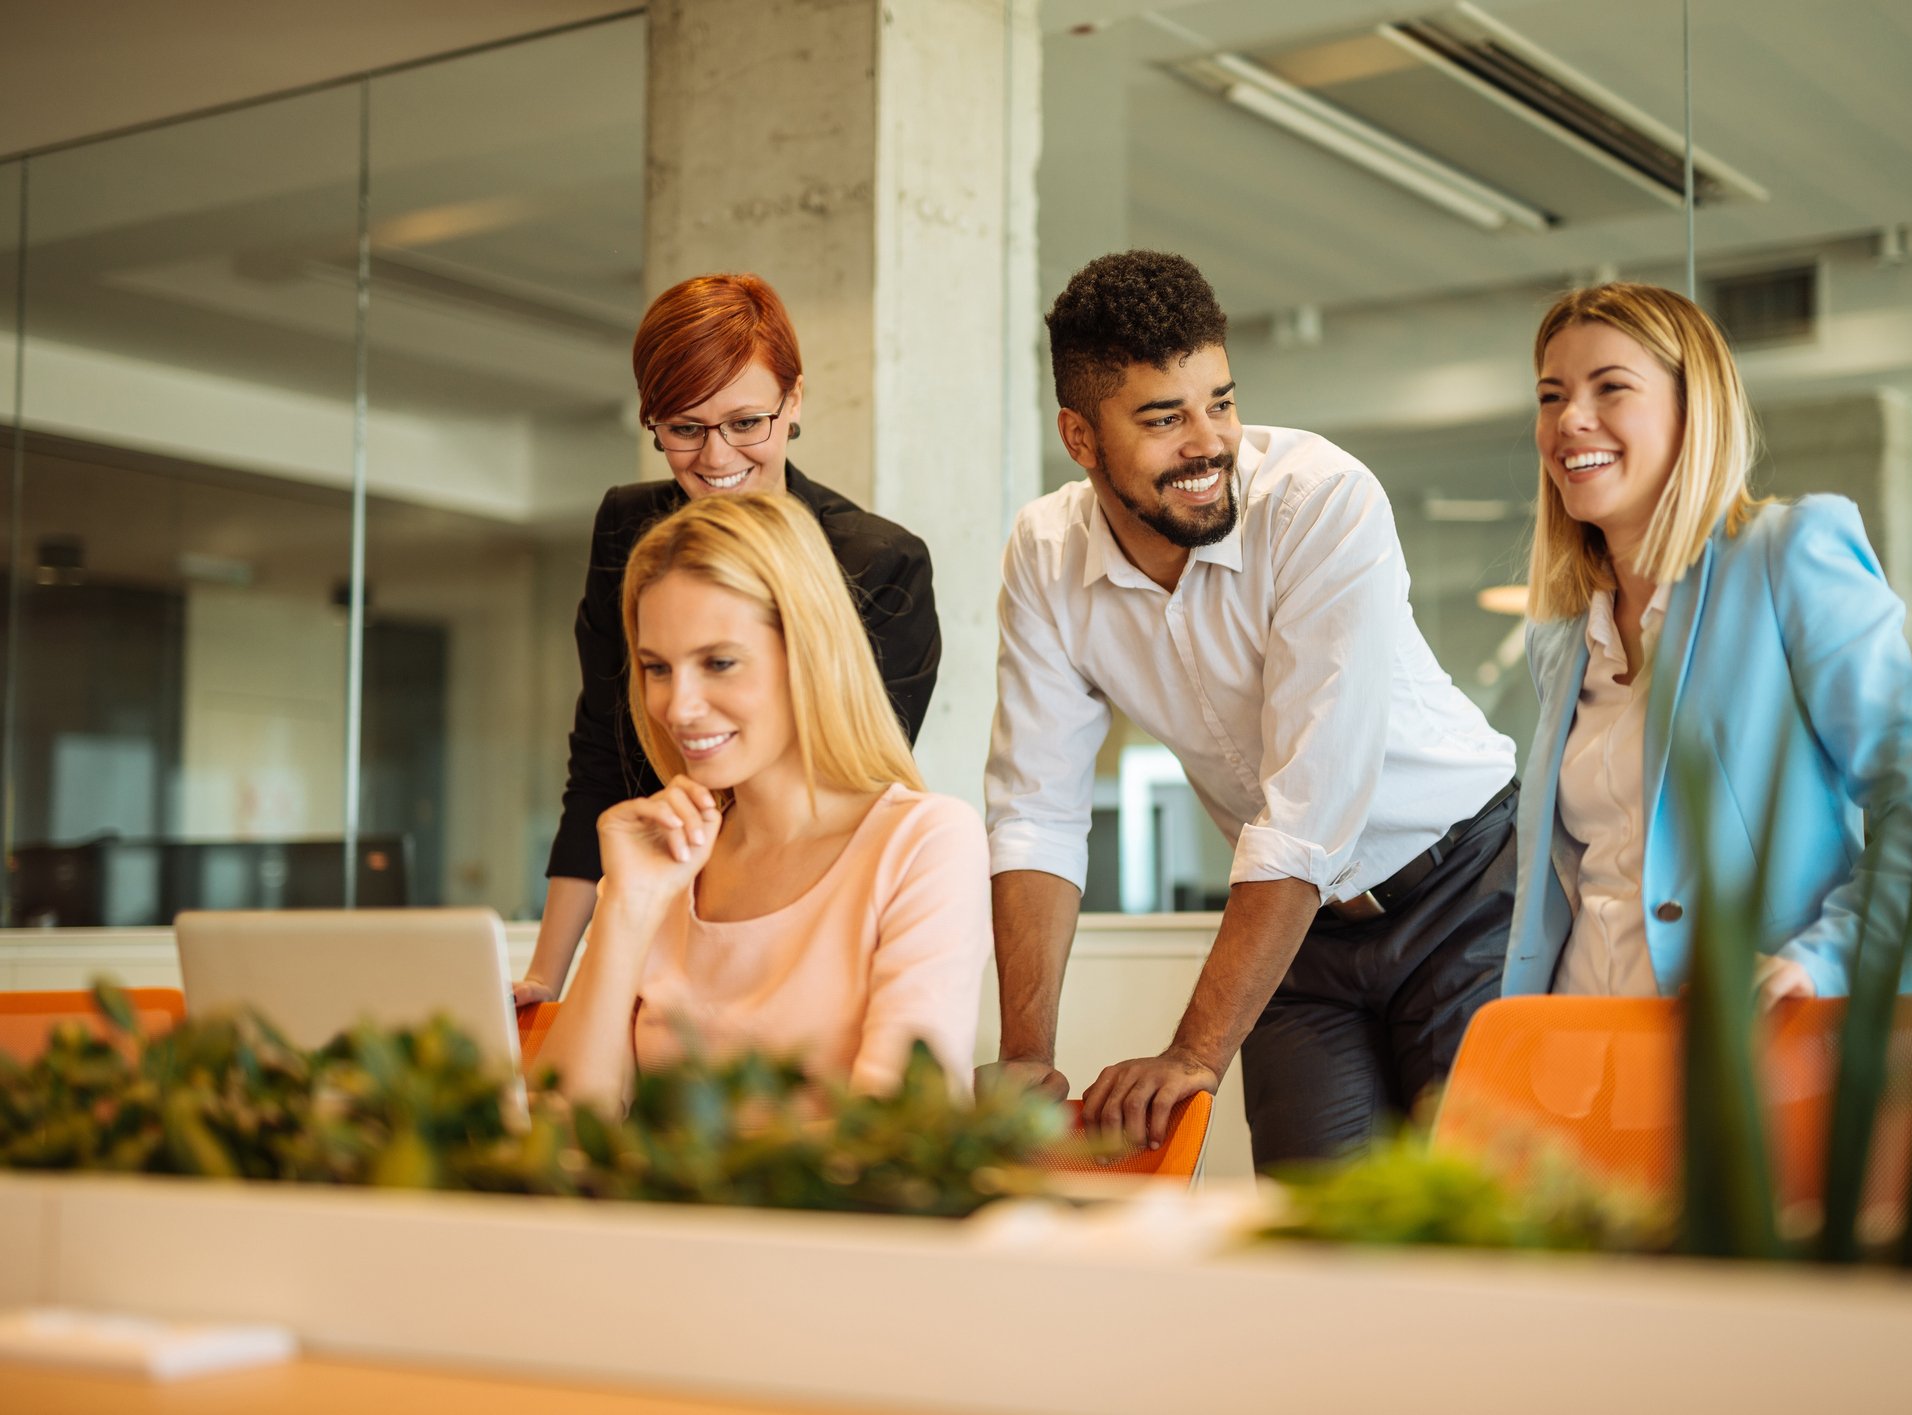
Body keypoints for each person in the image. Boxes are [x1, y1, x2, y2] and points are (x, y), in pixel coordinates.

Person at [980, 251, 1521, 1168]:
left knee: (1476, 1219)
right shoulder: (1043, 553)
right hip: (1302, 941)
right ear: (1080, 437)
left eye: (1219, 402)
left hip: (1465, 893)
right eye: (1163, 419)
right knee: (1311, 1223)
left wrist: (1192, 1052)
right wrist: (1027, 1054)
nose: (1208, 443)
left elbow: (1309, 809)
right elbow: (1035, 811)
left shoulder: (1320, 500)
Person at [1502, 282, 1912, 1002]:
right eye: (1550, 396)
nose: (1571, 418)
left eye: (1610, 388)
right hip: (1587, 1045)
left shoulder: (1787, 555)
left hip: (1756, 1054)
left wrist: (1819, 962)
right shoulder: (1560, 636)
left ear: (1690, 411)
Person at [519, 273, 942, 1007]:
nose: (715, 460)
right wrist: (545, 981)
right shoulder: (630, 532)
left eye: (747, 423)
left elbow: (842, 790)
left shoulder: (877, 564)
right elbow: (600, 760)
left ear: (794, 401)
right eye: (683, 429)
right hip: (652, 894)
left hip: (798, 913)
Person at [538, 493, 987, 1106]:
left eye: (718, 662)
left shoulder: (925, 843)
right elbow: (564, 1131)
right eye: (657, 668)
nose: (678, 706)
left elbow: (901, 1142)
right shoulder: (659, 860)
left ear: (809, 652)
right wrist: (626, 907)